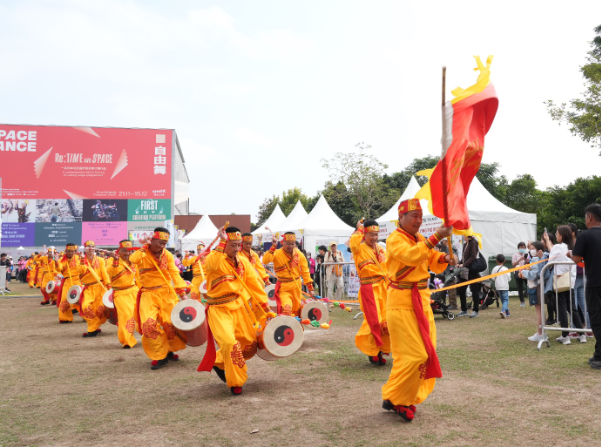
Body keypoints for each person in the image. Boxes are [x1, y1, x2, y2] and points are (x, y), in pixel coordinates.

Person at [381, 199, 456, 422]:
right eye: (414, 215)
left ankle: (394, 396)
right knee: (414, 355)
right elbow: (412, 256)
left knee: (425, 351)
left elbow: (430, 258)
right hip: (401, 301)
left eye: (420, 216)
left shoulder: (420, 238)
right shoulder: (395, 239)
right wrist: (437, 237)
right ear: (400, 217)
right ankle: (400, 399)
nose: (419, 220)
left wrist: (444, 257)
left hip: (422, 300)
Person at [198, 227, 275, 396]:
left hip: (239, 307)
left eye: (239, 245)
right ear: (224, 244)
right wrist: (222, 241)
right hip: (219, 309)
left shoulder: (243, 261)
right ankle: (236, 382)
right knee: (229, 343)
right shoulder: (215, 258)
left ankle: (218, 362)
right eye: (233, 245)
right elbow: (210, 264)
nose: (237, 249)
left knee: (249, 344)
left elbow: (254, 285)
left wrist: (266, 308)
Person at [129, 227, 188, 370]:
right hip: (148, 294)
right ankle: (159, 355)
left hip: (166, 293)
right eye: (159, 242)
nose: (162, 246)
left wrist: (182, 294)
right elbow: (133, 259)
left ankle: (169, 349)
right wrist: (144, 246)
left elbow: (174, 273)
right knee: (148, 325)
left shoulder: (167, 255)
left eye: (164, 243)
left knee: (169, 323)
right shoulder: (142, 253)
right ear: (152, 240)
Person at [350, 219, 391, 366]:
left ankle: (381, 351)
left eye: (376, 234)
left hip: (383, 287)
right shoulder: (358, 248)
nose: (374, 238)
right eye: (371, 235)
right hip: (369, 288)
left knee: (386, 321)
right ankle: (372, 351)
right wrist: (359, 229)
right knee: (375, 321)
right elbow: (352, 244)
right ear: (364, 234)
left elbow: (388, 266)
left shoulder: (381, 249)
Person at [571, 204, 601, 370]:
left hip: (596, 283)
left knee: (597, 320)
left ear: (589, 217)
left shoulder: (585, 235)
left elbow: (575, 259)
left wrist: (570, 253)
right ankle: (598, 354)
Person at [544, 226, 586, 345]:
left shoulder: (558, 247)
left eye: (557, 234)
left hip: (560, 280)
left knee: (561, 307)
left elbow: (550, 262)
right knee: (572, 308)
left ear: (561, 235)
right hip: (571, 281)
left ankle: (565, 335)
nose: (556, 236)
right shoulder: (573, 247)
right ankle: (581, 334)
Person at [262, 232, 314, 316]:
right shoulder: (277, 253)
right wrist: (273, 247)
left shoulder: (299, 254)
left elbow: (305, 271)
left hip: (296, 287)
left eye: (292, 244)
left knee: (297, 311)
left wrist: (310, 288)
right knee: (287, 308)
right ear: (283, 243)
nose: (290, 246)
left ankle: (294, 328)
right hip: (283, 287)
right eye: (288, 244)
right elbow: (265, 260)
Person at [107, 241, 140, 349]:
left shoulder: (133, 261)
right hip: (120, 293)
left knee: (141, 314)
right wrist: (116, 261)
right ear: (119, 251)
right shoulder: (111, 261)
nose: (127, 253)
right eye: (124, 251)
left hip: (134, 291)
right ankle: (128, 340)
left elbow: (139, 277)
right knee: (126, 316)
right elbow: (111, 273)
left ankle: (148, 336)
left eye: (130, 251)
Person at [79, 241, 111, 338]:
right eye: (89, 246)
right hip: (88, 288)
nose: (91, 248)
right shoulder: (81, 260)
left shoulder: (100, 260)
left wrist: (108, 285)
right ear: (85, 248)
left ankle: (93, 329)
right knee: (86, 307)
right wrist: (81, 261)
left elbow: (104, 273)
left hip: (100, 287)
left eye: (93, 246)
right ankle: (95, 324)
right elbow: (80, 271)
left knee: (99, 309)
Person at [521, 242, 547, 342]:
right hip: (538, 287)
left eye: (532, 248)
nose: (531, 250)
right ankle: (542, 332)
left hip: (536, 287)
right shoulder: (538, 258)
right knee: (541, 311)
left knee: (539, 311)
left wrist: (523, 272)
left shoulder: (536, 259)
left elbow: (535, 274)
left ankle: (540, 333)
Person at [568, 223, 590, 335]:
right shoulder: (582, 242)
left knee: (573, 305)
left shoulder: (572, 245)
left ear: (572, 232)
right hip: (584, 276)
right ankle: (589, 329)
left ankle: (574, 329)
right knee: (583, 305)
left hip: (575, 277)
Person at [56, 244, 82, 324]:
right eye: (68, 251)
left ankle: (86, 316)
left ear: (74, 251)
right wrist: (56, 261)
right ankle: (65, 318)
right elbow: (59, 268)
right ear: (65, 251)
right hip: (67, 281)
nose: (70, 253)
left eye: (72, 251)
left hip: (78, 280)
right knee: (64, 299)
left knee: (82, 299)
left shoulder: (78, 258)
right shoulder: (61, 260)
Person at [457, 235, 481, 318]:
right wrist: (459, 263)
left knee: (474, 290)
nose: (463, 237)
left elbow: (473, 256)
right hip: (465, 270)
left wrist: (464, 264)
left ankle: (475, 310)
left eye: (464, 235)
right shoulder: (465, 244)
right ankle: (464, 310)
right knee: (461, 289)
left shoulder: (473, 243)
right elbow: (464, 258)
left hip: (471, 270)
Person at [492, 254, 511, 319]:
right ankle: (503, 311)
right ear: (504, 261)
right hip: (505, 286)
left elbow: (493, 278)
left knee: (503, 300)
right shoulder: (505, 269)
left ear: (497, 261)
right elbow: (509, 278)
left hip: (498, 286)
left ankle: (507, 312)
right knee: (505, 300)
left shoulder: (494, 268)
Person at [512, 242, 529, 307]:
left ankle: (530, 299)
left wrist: (527, 261)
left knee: (529, 285)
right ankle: (522, 302)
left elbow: (529, 263)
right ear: (518, 248)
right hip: (518, 272)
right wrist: (519, 260)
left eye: (524, 247)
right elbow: (513, 264)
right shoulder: (515, 255)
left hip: (525, 272)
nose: (523, 249)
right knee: (520, 288)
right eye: (521, 247)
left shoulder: (526, 255)